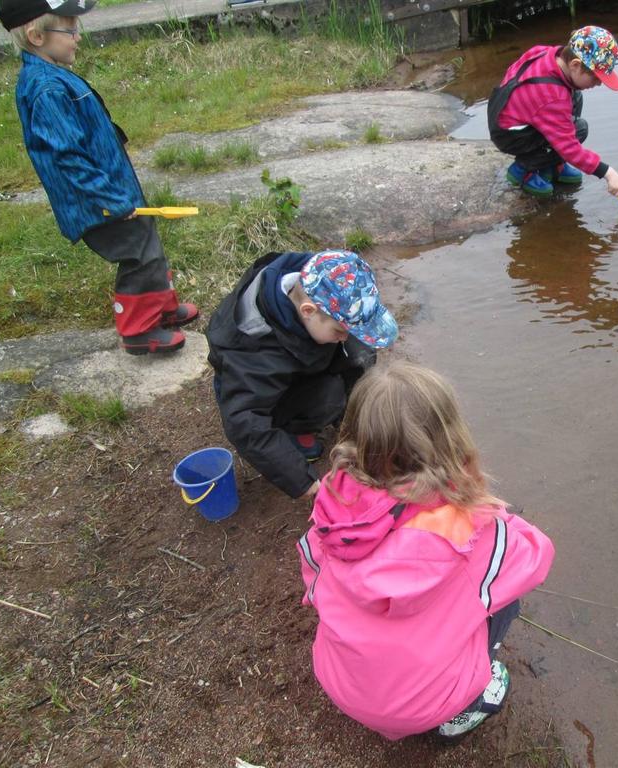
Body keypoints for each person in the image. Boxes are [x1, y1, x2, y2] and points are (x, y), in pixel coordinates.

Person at [297, 361, 554, 740]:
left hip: (340, 683)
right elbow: (536, 555)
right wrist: (496, 515)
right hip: (421, 707)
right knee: (502, 597)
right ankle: (461, 712)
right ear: (451, 444)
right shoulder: (468, 531)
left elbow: (314, 584)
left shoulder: (332, 516)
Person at [0, 0, 197, 355]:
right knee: (137, 254)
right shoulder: (46, 89)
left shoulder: (52, 75)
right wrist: (111, 198)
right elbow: (68, 157)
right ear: (36, 35)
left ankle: (162, 308)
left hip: (112, 189)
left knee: (148, 240)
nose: (78, 36)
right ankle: (138, 330)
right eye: (71, 28)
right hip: (95, 201)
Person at [206, 249, 398, 500]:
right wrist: (307, 483)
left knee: (360, 352)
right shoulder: (252, 348)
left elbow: (345, 339)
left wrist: (363, 424)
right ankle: (292, 429)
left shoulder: (320, 277)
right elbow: (246, 424)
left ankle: (353, 421)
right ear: (308, 311)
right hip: (264, 394)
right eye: (340, 330)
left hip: (302, 358)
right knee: (329, 398)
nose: (344, 335)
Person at [488, 24, 618, 200]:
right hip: (511, 135)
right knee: (579, 129)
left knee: (575, 95)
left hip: (503, 111)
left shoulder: (548, 52)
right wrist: (608, 172)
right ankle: (522, 170)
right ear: (575, 65)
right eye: (596, 77)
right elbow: (569, 147)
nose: (599, 83)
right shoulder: (552, 97)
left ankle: (554, 164)